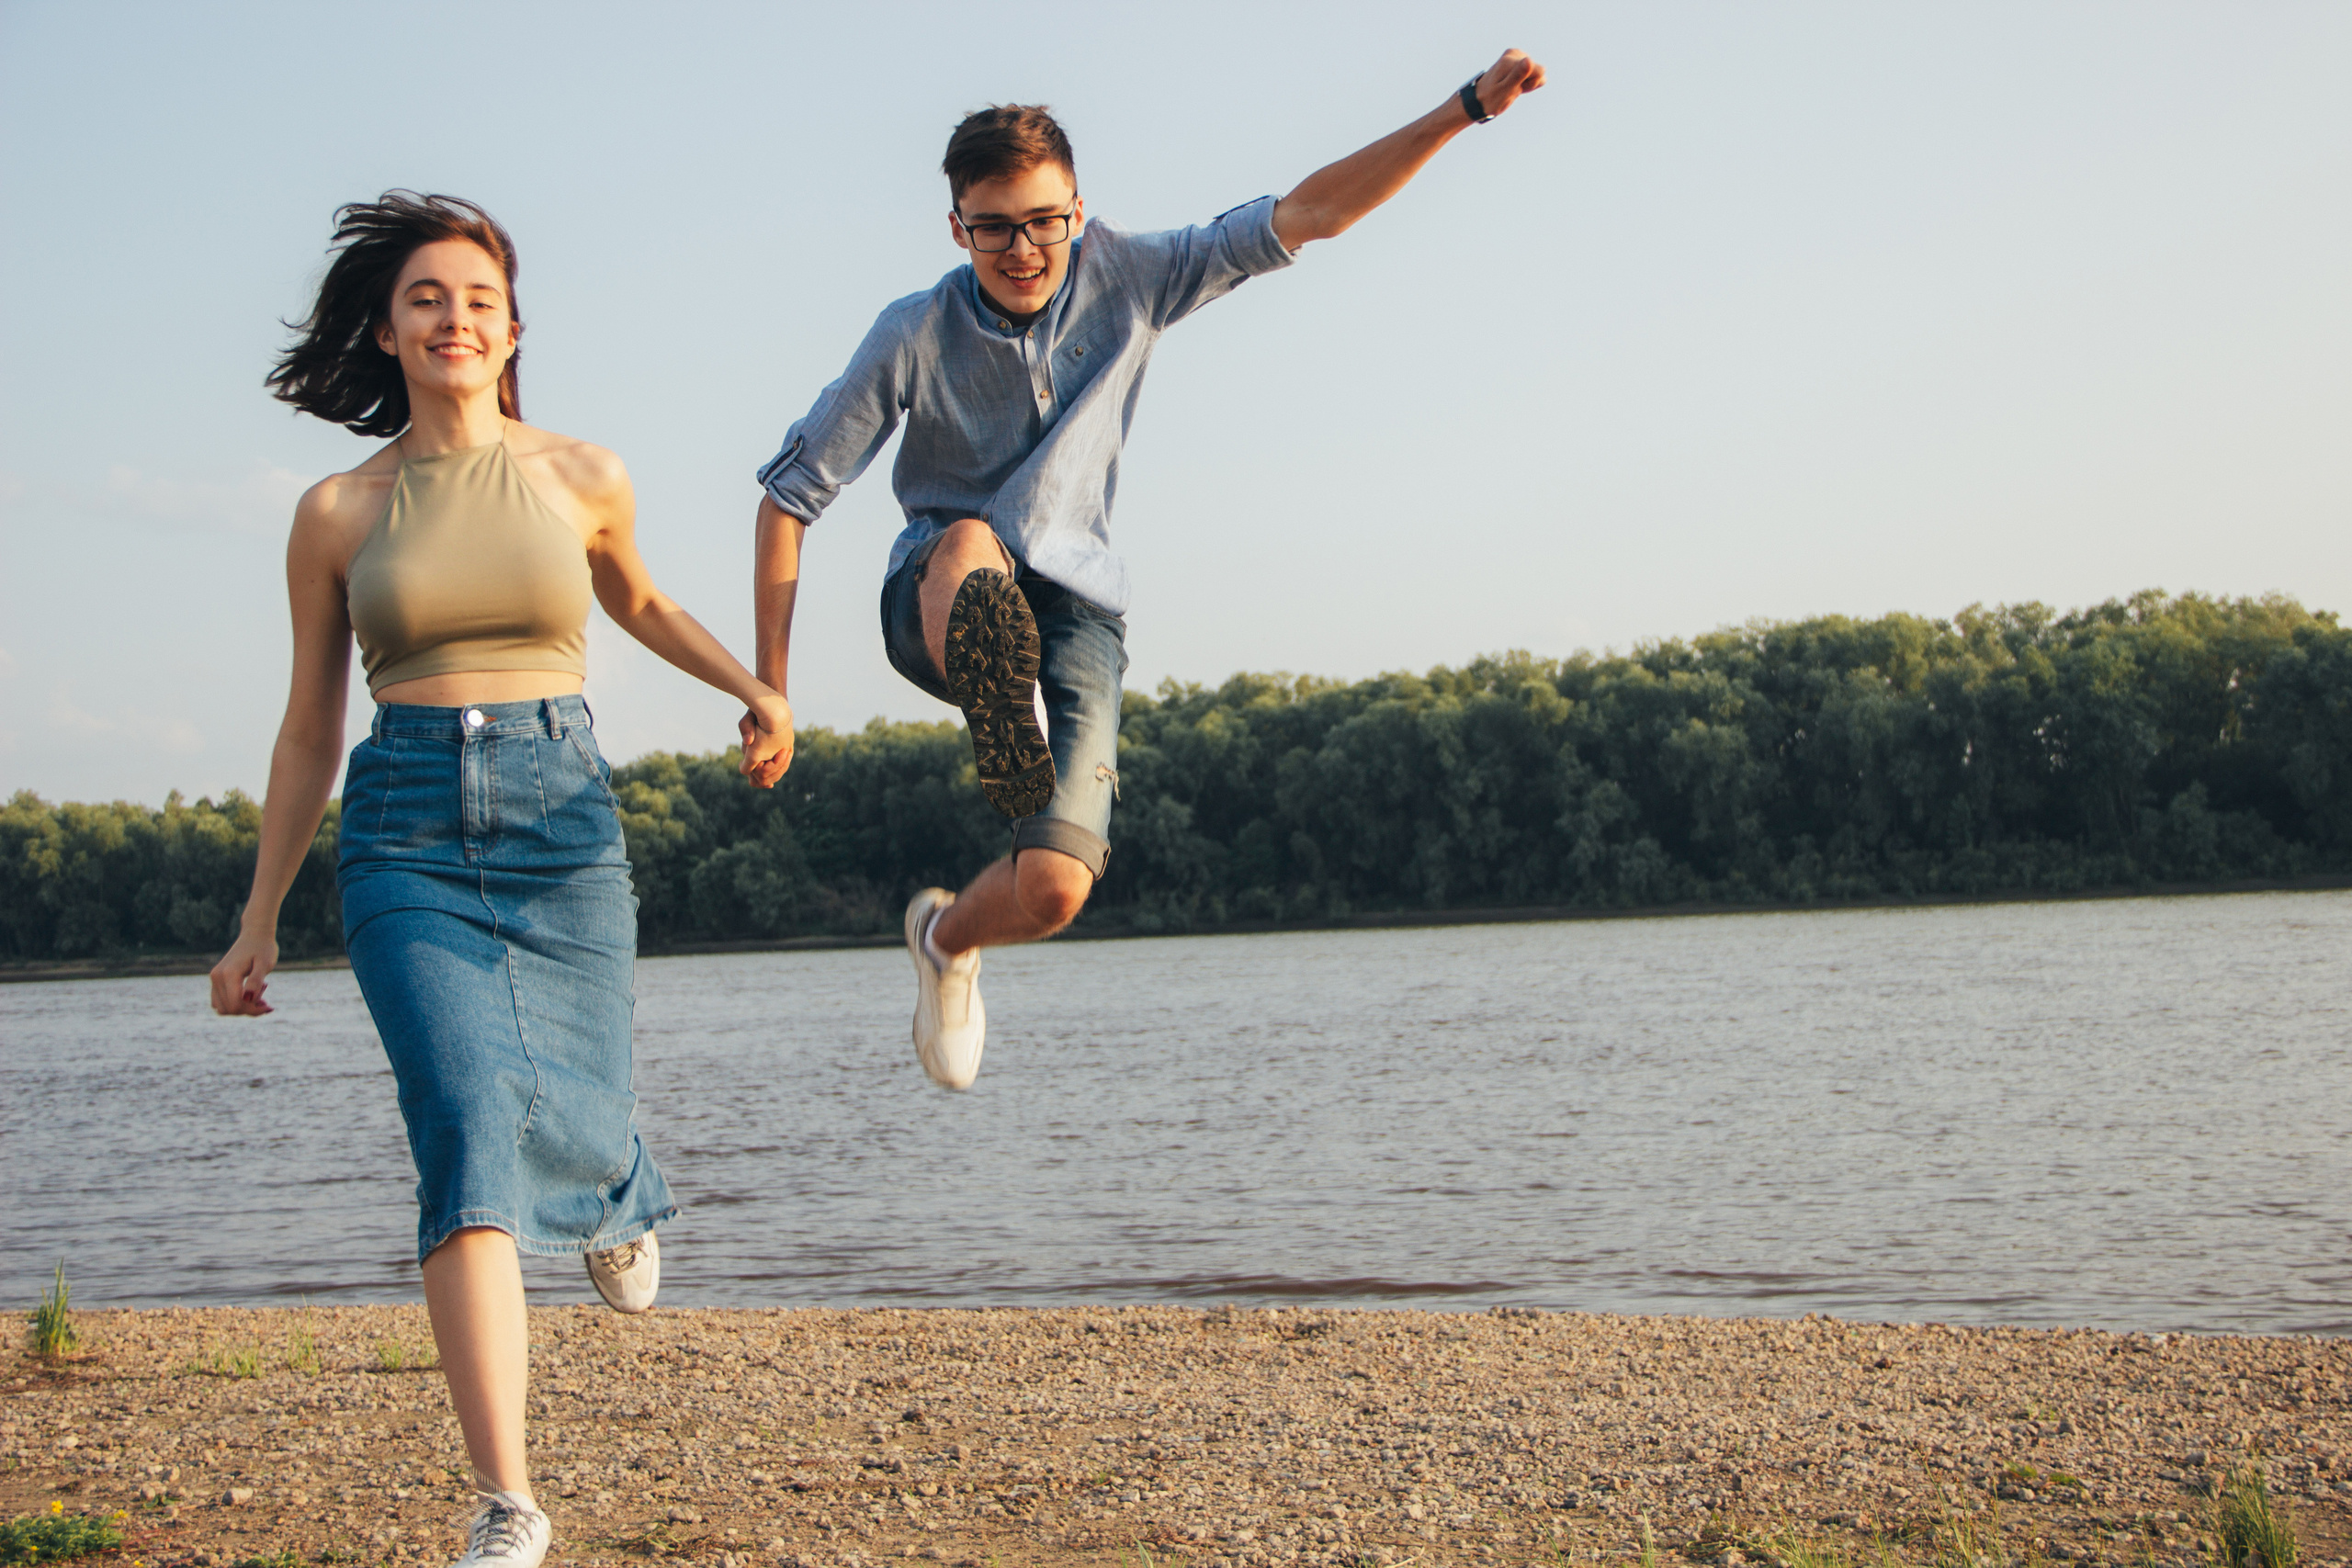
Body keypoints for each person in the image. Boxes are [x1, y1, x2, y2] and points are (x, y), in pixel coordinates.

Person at [746, 49, 1547, 1089]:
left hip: (1078, 611)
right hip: (939, 597)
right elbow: (789, 498)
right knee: (974, 545)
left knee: (1054, 888)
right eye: (994, 228)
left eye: (1044, 222)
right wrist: (771, 687)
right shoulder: (913, 333)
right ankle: (1006, 700)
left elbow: (1310, 215)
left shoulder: (1133, 273)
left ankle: (945, 939)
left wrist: (1463, 110)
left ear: (1078, 212)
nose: (1023, 249)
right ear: (957, 229)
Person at [209, 192, 792, 1568]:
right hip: (403, 828)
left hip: (561, 815)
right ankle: (507, 1498)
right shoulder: (337, 512)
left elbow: (640, 600)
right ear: (387, 330)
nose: (453, 318)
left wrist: (753, 686)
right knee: (466, 1114)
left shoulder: (582, 473)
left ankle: (612, 1180)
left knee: (585, 1090)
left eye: (477, 299)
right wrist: (257, 916)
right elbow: (307, 727)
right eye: (425, 297)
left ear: (512, 329)